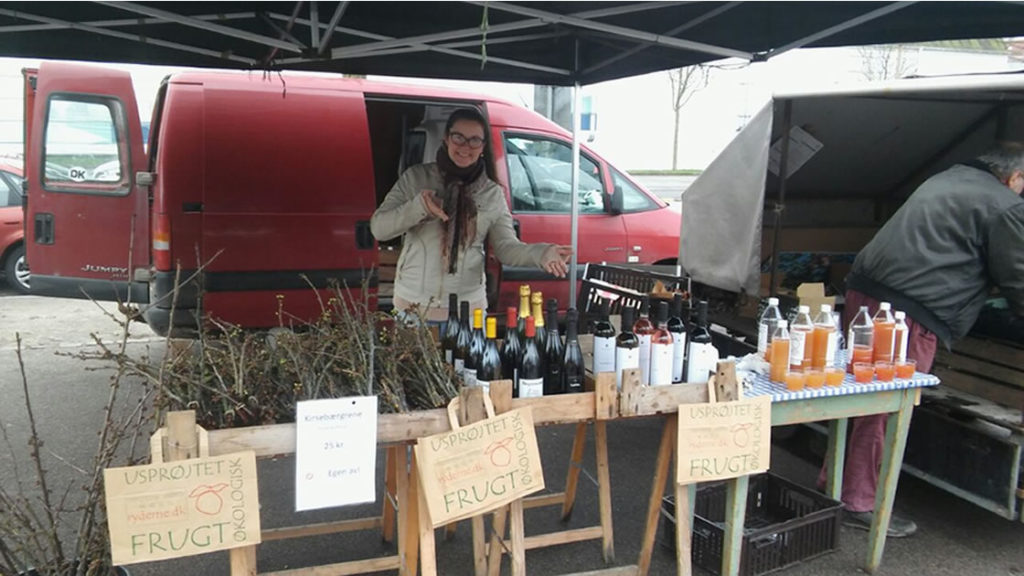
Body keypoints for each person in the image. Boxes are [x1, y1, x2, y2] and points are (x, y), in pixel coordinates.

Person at [826, 141, 1024, 538]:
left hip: (864, 293)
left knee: (858, 397)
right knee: (885, 408)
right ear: (1014, 177)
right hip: (909, 313)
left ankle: (834, 487)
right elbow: (1018, 276)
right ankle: (860, 502)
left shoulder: (947, 177)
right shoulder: (1004, 204)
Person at [370, 108, 572, 323]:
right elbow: (379, 229)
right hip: (413, 309)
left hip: (469, 310)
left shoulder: (492, 193)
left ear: (483, 147)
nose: (466, 146)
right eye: (459, 137)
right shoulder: (416, 178)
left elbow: (506, 248)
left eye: (475, 140)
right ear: (447, 139)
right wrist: (418, 207)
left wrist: (542, 253)